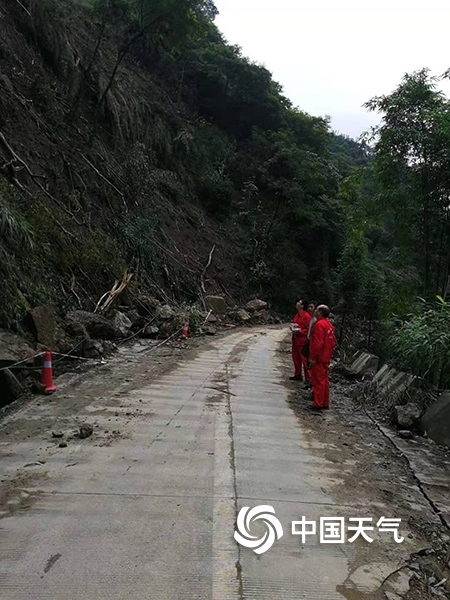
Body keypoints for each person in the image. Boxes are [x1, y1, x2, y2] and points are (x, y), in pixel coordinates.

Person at [308, 305, 336, 410]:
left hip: (319, 357)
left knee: (318, 381)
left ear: (320, 312)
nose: (314, 311)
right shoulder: (329, 325)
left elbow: (317, 343)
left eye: (316, 309)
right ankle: (324, 402)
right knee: (324, 380)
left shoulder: (319, 325)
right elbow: (333, 342)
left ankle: (317, 403)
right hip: (326, 356)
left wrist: (313, 357)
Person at [290, 300, 311, 382]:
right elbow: (294, 324)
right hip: (295, 339)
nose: (297, 303)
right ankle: (298, 374)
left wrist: (300, 331)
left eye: (299, 302)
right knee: (296, 358)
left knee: (304, 359)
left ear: (302, 306)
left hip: (302, 340)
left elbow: (308, 329)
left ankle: (308, 378)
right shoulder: (297, 315)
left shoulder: (306, 316)